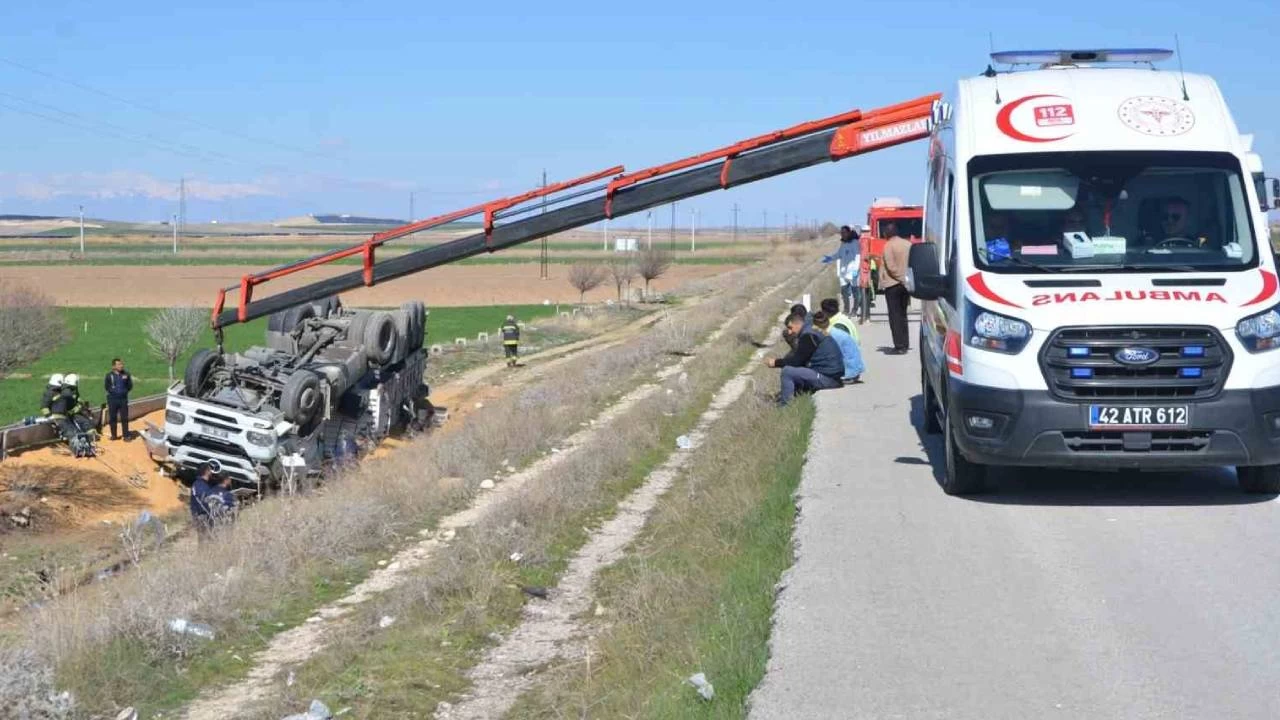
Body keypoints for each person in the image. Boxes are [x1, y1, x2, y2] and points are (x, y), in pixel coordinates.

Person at [765, 311, 844, 406]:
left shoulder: (808, 335)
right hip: (831, 375)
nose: (790, 332)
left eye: (790, 328)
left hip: (828, 378)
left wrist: (775, 363)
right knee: (799, 371)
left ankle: (785, 406)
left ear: (798, 324)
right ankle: (784, 397)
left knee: (787, 372)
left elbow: (796, 362)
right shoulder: (812, 329)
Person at [880, 223, 913, 354]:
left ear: (888, 233)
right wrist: (906, 280)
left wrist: (901, 278)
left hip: (893, 284)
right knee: (903, 315)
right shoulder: (908, 244)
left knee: (895, 316)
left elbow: (890, 266)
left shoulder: (888, 245)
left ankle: (899, 346)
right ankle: (905, 343)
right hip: (905, 285)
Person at [821, 299, 865, 382]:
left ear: (825, 312)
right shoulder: (842, 319)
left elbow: (836, 348)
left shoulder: (838, 325)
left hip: (849, 365)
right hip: (853, 361)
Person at [190, 463, 236, 540]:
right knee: (205, 540)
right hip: (202, 516)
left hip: (204, 516)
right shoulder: (200, 485)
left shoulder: (202, 484)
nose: (211, 472)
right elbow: (203, 501)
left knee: (208, 539)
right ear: (207, 471)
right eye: (210, 470)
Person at [833, 226, 861, 315]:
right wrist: (830, 258)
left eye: (844, 232)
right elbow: (839, 255)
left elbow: (858, 257)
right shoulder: (843, 243)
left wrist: (855, 270)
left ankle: (855, 309)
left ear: (849, 233)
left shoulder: (855, 243)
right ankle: (846, 309)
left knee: (855, 292)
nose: (843, 234)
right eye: (841, 233)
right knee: (844, 292)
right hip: (843, 272)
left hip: (852, 272)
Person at [104, 358, 133, 441]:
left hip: (123, 400)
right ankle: (114, 435)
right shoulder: (109, 375)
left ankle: (126, 435)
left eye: (121, 364)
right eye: (119, 364)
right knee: (113, 417)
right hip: (112, 400)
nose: (121, 366)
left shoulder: (126, 374)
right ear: (114, 366)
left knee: (124, 417)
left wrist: (124, 392)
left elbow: (130, 385)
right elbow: (107, 386)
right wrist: (113, 392)